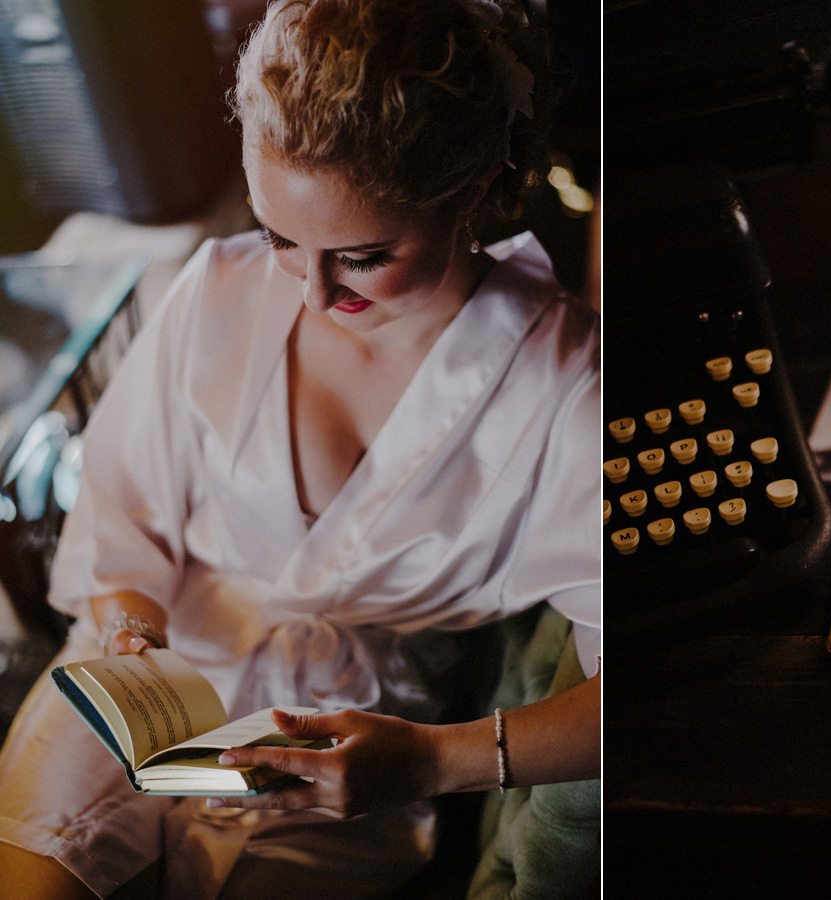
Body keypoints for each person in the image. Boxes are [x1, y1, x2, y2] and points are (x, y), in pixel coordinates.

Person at [0, 0, 599, 897]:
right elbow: (124, 513)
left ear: (470, 190)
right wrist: (130, 625)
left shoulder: (565, 385)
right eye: (282, 237)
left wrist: (434, 762)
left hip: (352, 746)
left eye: (363, 255)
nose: (312, 292)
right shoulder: (216, 291)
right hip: (148, 676)